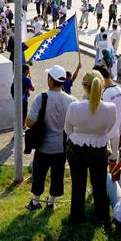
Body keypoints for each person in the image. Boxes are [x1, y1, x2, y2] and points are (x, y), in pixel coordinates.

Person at [65, 70, 116, 225]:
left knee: (78, 184)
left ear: (83, 86)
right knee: (99, 184)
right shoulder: (111, 108)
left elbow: (67, 129)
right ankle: (103, 216)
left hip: (76, 147)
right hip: (99, 147)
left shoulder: (74, 107)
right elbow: (109, 128)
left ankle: (77, 217)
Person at [25, 65, 76, 210]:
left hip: (43, 146)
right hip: (61, 147)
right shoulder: (72, 100)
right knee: (57, 175)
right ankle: (51, 202)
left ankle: (35, 202)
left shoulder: (41, 98)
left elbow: (29, 122)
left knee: (39, 174)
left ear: (50, 80)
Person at [94, 65, 121, 172]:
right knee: (113, 160)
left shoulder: (105, 93)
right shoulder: (120, 90)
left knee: (101, 164)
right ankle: (112, 184)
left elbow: (100, 116)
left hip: (105, 135)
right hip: (116, 132)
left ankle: (101, 185)